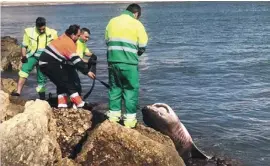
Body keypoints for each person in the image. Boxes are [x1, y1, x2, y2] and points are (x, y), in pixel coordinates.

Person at [105, 3, 148, 128]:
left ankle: (113, 117)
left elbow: (107, 41)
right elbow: (143, 45)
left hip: (113, 61)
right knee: (130, 90)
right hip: (129, 63)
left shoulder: (112, 22)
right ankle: (129, 121)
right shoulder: (137, 24)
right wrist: (137, 53)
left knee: (114, 89)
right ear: (136, 14)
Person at [39, 24, 95, 109]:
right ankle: (79, 103)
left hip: (46, 63)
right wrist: (87, 72)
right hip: (50, 63)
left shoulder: (64, 37)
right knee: (68, 82)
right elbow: (76, 60)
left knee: (61, 84)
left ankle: (62, 105)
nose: (79, 37)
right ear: (72, 35)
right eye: (78, 35)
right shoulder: (68, 43)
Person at [11, 17, 58, 99]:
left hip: (44, 59)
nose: (42, 31)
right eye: (40, 29)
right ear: (36, 26)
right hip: (32, 56)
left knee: (42, 79)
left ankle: (42, 99)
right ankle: (18, 92)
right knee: (23, 72)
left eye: (43, 29)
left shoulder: (52, 33)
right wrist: (24, 56)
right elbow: (24, 45)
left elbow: (57, 47)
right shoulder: (29, 32)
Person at [72, 27, 97, 95]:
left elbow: (86, 52)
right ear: (80, 35)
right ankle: (75, 101)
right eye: (86, 37)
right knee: (76, 84)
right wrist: (89, 62)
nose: (87, 39)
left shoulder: (82, 42)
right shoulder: (77, 42)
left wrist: (93, 56)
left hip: (76, 65)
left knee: (76, 83)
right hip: (72, 65)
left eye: (88, 37)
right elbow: (78, 58)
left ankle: (76, 100)